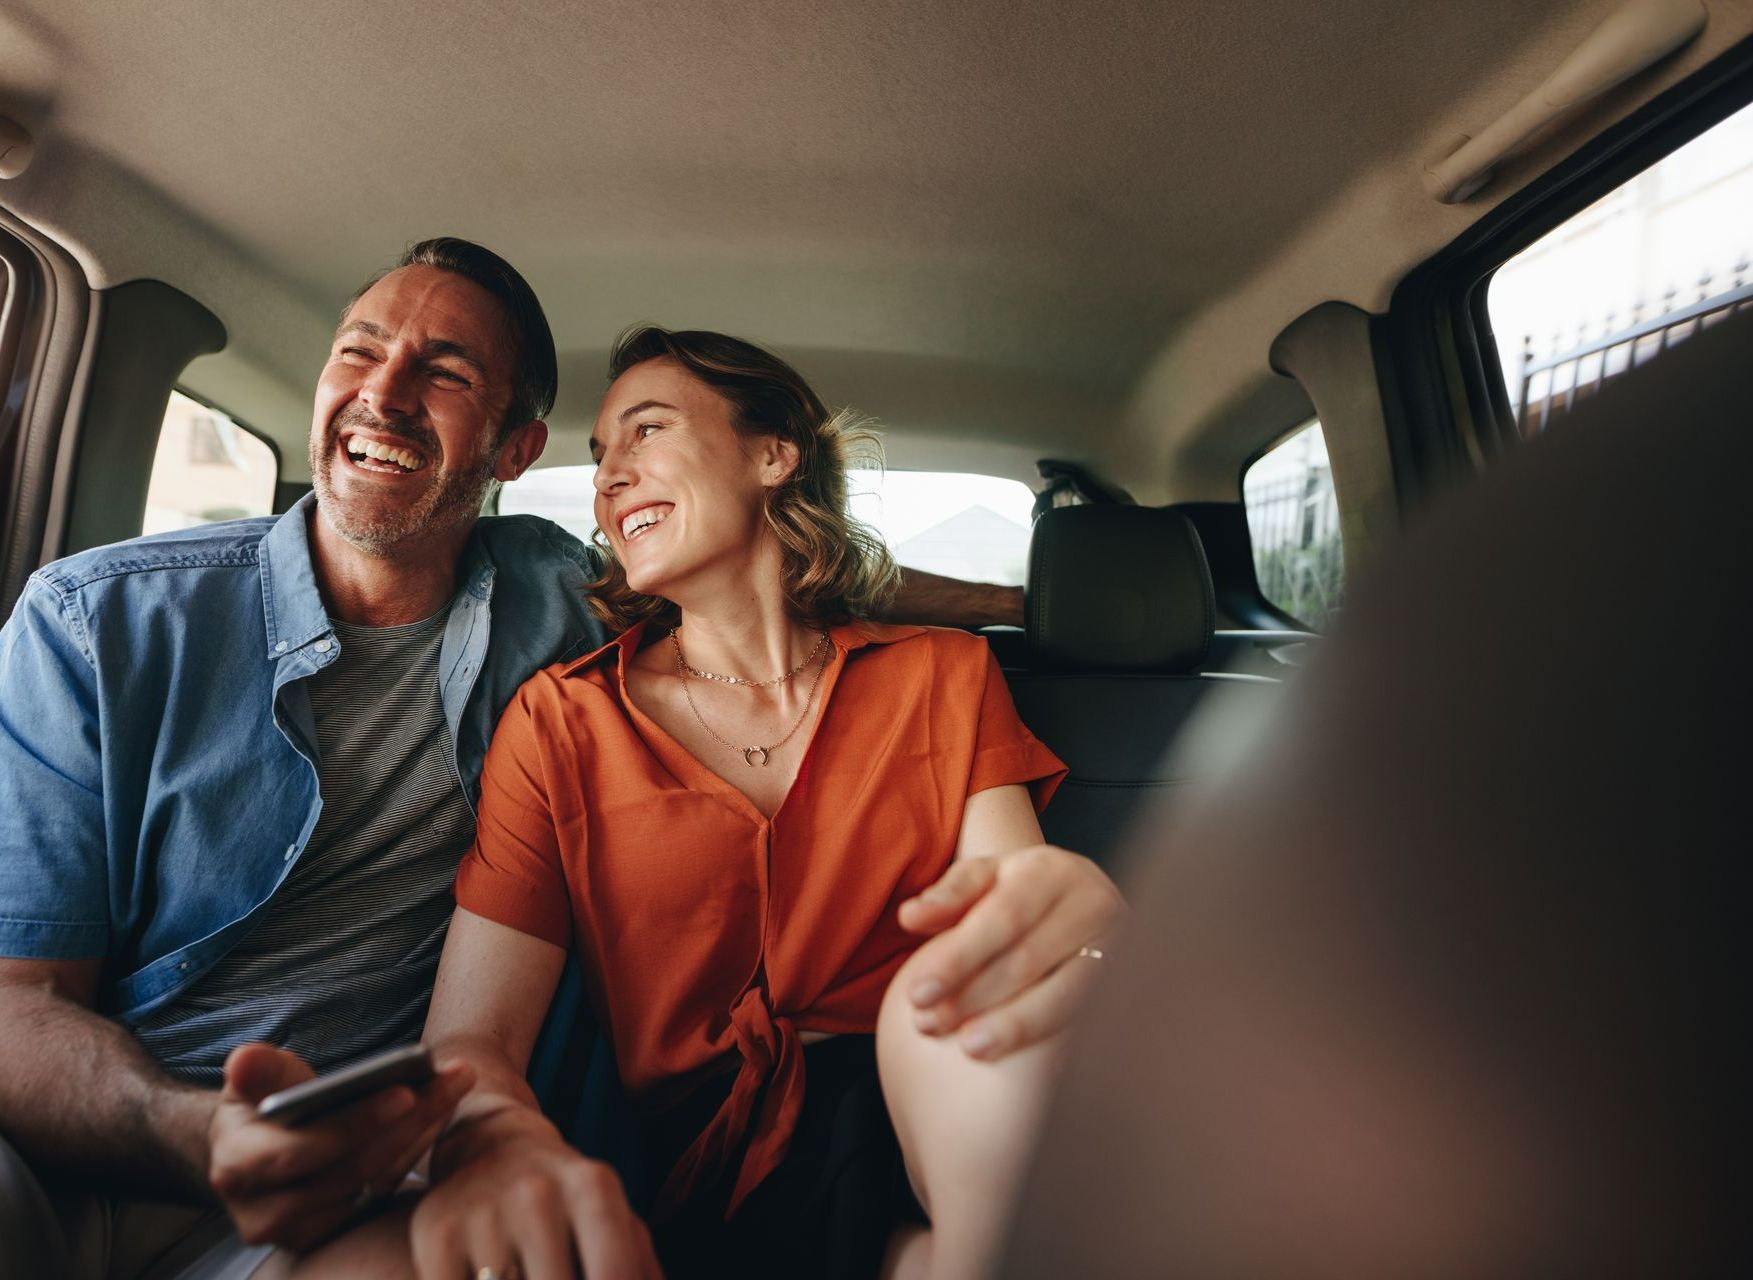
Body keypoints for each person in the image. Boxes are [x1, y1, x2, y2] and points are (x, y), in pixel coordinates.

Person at [0, 239, 1119, 1279]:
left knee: (951, 1008)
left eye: (444, 370)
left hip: (863, 1112)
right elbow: (23, 1008)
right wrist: (456, 1139)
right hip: (102, 1142)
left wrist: (1066, 609)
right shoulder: (108, 624)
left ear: (510, 450)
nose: (384, 392)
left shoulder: (576, 604)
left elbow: (1004, 897)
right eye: (358, 352)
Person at [280, 326, 1123, 1280]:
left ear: (774, 455)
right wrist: (495, 1146)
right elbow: (475, 1037)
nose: (609, 477)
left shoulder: (943, 672)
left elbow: (1014, 923)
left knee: (952, 1014)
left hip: (939, 1109)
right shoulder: (562, 720)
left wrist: (1092, 942)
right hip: (698, 1170)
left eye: (646, 430)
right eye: (600, 455)